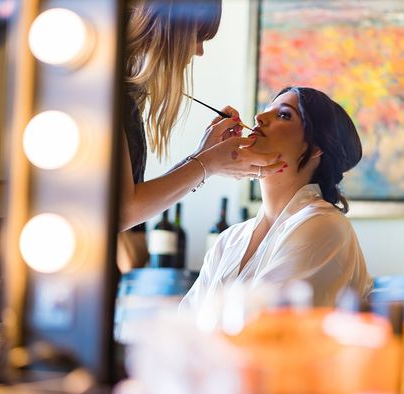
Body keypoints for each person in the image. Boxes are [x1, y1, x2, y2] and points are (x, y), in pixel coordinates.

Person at [181, 86, 373, 310]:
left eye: (284, 114)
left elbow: (267, 327)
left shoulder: (325, 227)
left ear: (315, 149)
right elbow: (185, 323)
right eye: (265, 110)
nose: (259, 117)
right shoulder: (229, 240)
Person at [120, 0, 285, 231]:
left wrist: (204, 156)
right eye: (197, 35)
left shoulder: (121, 94)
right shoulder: (105, 93)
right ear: (172, 25)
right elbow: (123, 211)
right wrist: (209, 162)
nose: (199, 51)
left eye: (285, 116)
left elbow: (130, 201)